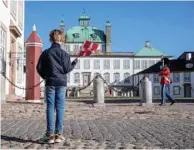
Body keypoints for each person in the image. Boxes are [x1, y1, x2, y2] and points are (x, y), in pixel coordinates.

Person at [36, 29, 78, 144]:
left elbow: (39, 68)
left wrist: (46, 76)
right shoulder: (64, 54)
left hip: (50, 82)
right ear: (61, 39)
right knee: (60, 108)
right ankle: (58, 134)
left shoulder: (46, 53)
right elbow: (66, 69)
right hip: (61, 83)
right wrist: (74, 63)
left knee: (50, 108)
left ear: (51, 39)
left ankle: (49, 135)